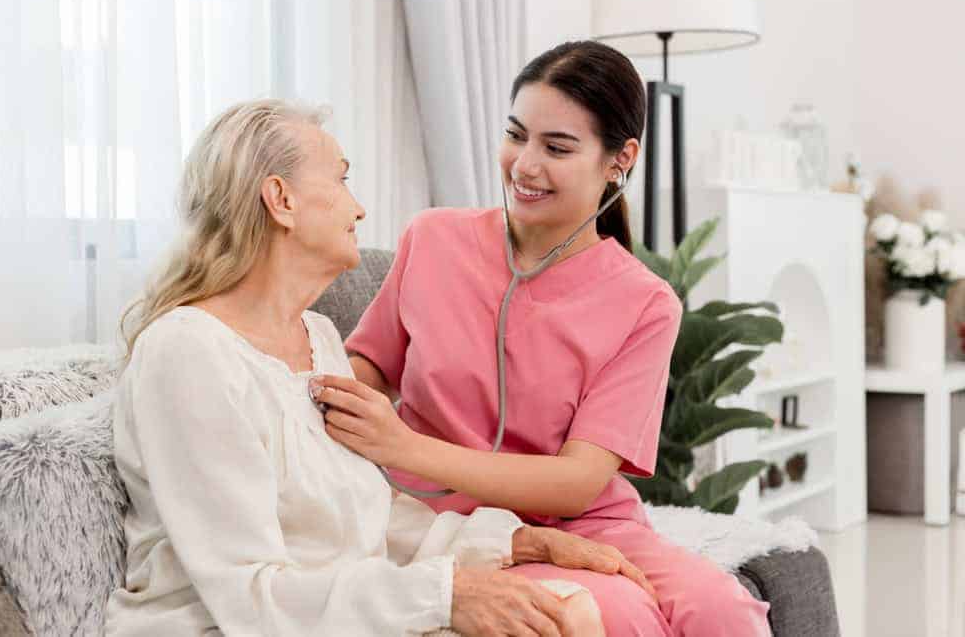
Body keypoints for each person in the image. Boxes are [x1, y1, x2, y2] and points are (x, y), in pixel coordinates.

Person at [104, 98, 652, 636]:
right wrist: (444, 595)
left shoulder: (317, 338)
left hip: (346, 613)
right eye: (341, 181)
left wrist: (519, 542)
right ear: (281, 199)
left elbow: (370, 518)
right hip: (231, 625)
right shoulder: (187, 353)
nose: (359, 209)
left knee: (569, 610)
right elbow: (251, 594)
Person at [314, 41, 773, 636]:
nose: (525, 165)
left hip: (589, 521)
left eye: (556, 147)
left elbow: (578, 481)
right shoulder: (433, 239)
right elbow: (364, 365)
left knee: (725, 612)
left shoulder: (646, 303)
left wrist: (403, 447)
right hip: (458, 520)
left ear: (618, 160)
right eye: (515, 135)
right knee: (620, 615)